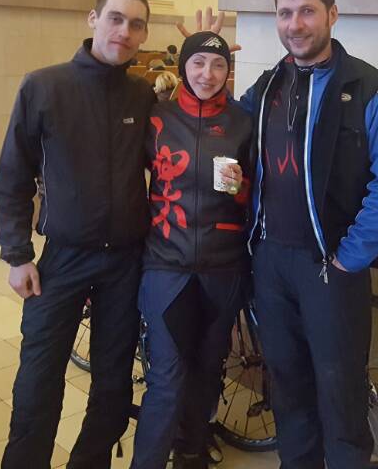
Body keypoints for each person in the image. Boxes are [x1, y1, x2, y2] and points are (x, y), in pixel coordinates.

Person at [236, 0, 378, 467]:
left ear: (332, 14)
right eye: (285, 12)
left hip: (330, 268)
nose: (295, 24)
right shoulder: (268, 85)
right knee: (288, 388)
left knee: (341, 394)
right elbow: (224, 129)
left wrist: (350, 257)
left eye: (307, 11)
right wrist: (202, 66)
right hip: (270, 264)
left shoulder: (370, 89)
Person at [0, 0, 155, 468]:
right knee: (38, 381)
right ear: (93, 19)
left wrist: (199, 58)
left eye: (136, 24)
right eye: (116, 19)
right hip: (62, 260)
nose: (124, 32)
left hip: (125, 263)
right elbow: (12, 176)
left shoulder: (141, 97)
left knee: (113, 385)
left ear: (144, 35)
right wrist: (17, 254)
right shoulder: (44, 87)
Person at [129, 32, 251, 469]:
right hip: (167, 264)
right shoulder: (157, 118)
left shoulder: (243, 122)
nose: (207, 74)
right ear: (183, 68)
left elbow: (259, 196)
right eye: (198, 63)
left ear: (228, 72)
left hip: (223, 267)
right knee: (166, 377)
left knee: (207, 369)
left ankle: (191, 453)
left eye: (217, 65)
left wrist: (241, 188)